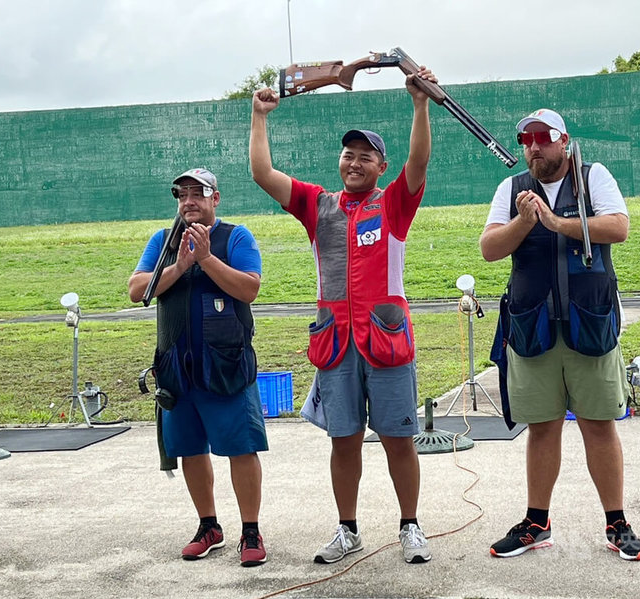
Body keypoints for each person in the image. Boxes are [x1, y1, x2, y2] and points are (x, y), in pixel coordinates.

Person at [248, 67, 438, 565]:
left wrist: (419, 105)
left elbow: (418, 162)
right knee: (344, 440)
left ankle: (410, 526)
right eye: (348, 155)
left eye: (365, 157)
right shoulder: (318, 205)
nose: (354, 163)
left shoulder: (394, 204)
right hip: (336, 343)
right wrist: (259, 118)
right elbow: (263, 175)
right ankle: (347, 529)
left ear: (381, 166)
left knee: (399, 438)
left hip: (386, 338)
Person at [479, 109, 640, 561]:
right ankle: (537, 522)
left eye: (543, 137)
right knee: (541, 428)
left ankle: (617, 523)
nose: (534, 147)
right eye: (526, 139)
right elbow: (490, 249)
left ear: (564, 140)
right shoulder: (511, 189)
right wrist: (525, 223)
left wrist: (558, 224)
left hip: (588, 323)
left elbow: (619, 227)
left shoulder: (594, 177)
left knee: (598, 426)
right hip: (532, 326)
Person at [128, 168, 269, 567]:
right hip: (177, 369)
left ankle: (251, 531)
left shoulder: (235, 237)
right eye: (182, 194)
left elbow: (249, 288)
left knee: (241, 449)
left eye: (197, 193)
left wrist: (205, 260)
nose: (188, 201)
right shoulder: (163, 240)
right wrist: (180, 265)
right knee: (190, 450)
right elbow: (138, 289)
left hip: (226, 366)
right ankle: (209, 526)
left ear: (215, 198)